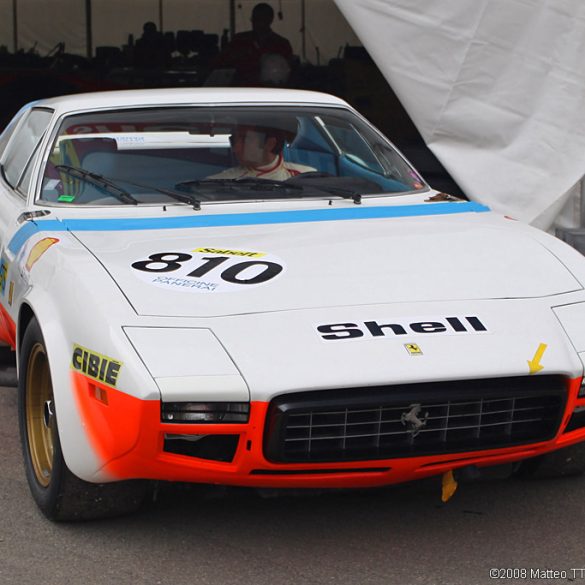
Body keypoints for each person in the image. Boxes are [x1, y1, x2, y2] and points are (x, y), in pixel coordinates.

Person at [213, 3, 293, 86]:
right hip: (243, 90)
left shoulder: (281, 44)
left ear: (270, 20)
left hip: (271, 90)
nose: (257, 22)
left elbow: (287, 72)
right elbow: (222, 63)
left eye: (261, 19)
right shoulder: (239, 40)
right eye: (255, 19)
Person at [210, 124, 314, 180]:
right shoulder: (224, 181)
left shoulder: (306, 177)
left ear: (270, 144)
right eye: (234, 140)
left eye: (244, 139)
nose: (235, 148)